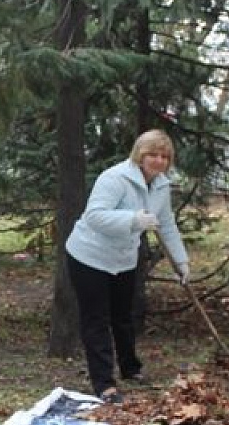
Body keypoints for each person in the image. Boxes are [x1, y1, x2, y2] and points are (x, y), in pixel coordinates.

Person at [65, 129, 190, 404]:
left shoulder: (161, 185)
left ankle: (130, 368)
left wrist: (181, 262)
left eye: (164, 156)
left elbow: (166, 223)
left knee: (123, 316)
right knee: (96, 319)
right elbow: (95, 216)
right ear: (139, 155)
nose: (158, 161)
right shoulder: (115, 178)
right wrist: (133, 220)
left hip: (123, 259)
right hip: (89, 256)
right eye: (152, 155)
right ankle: (104, 384)